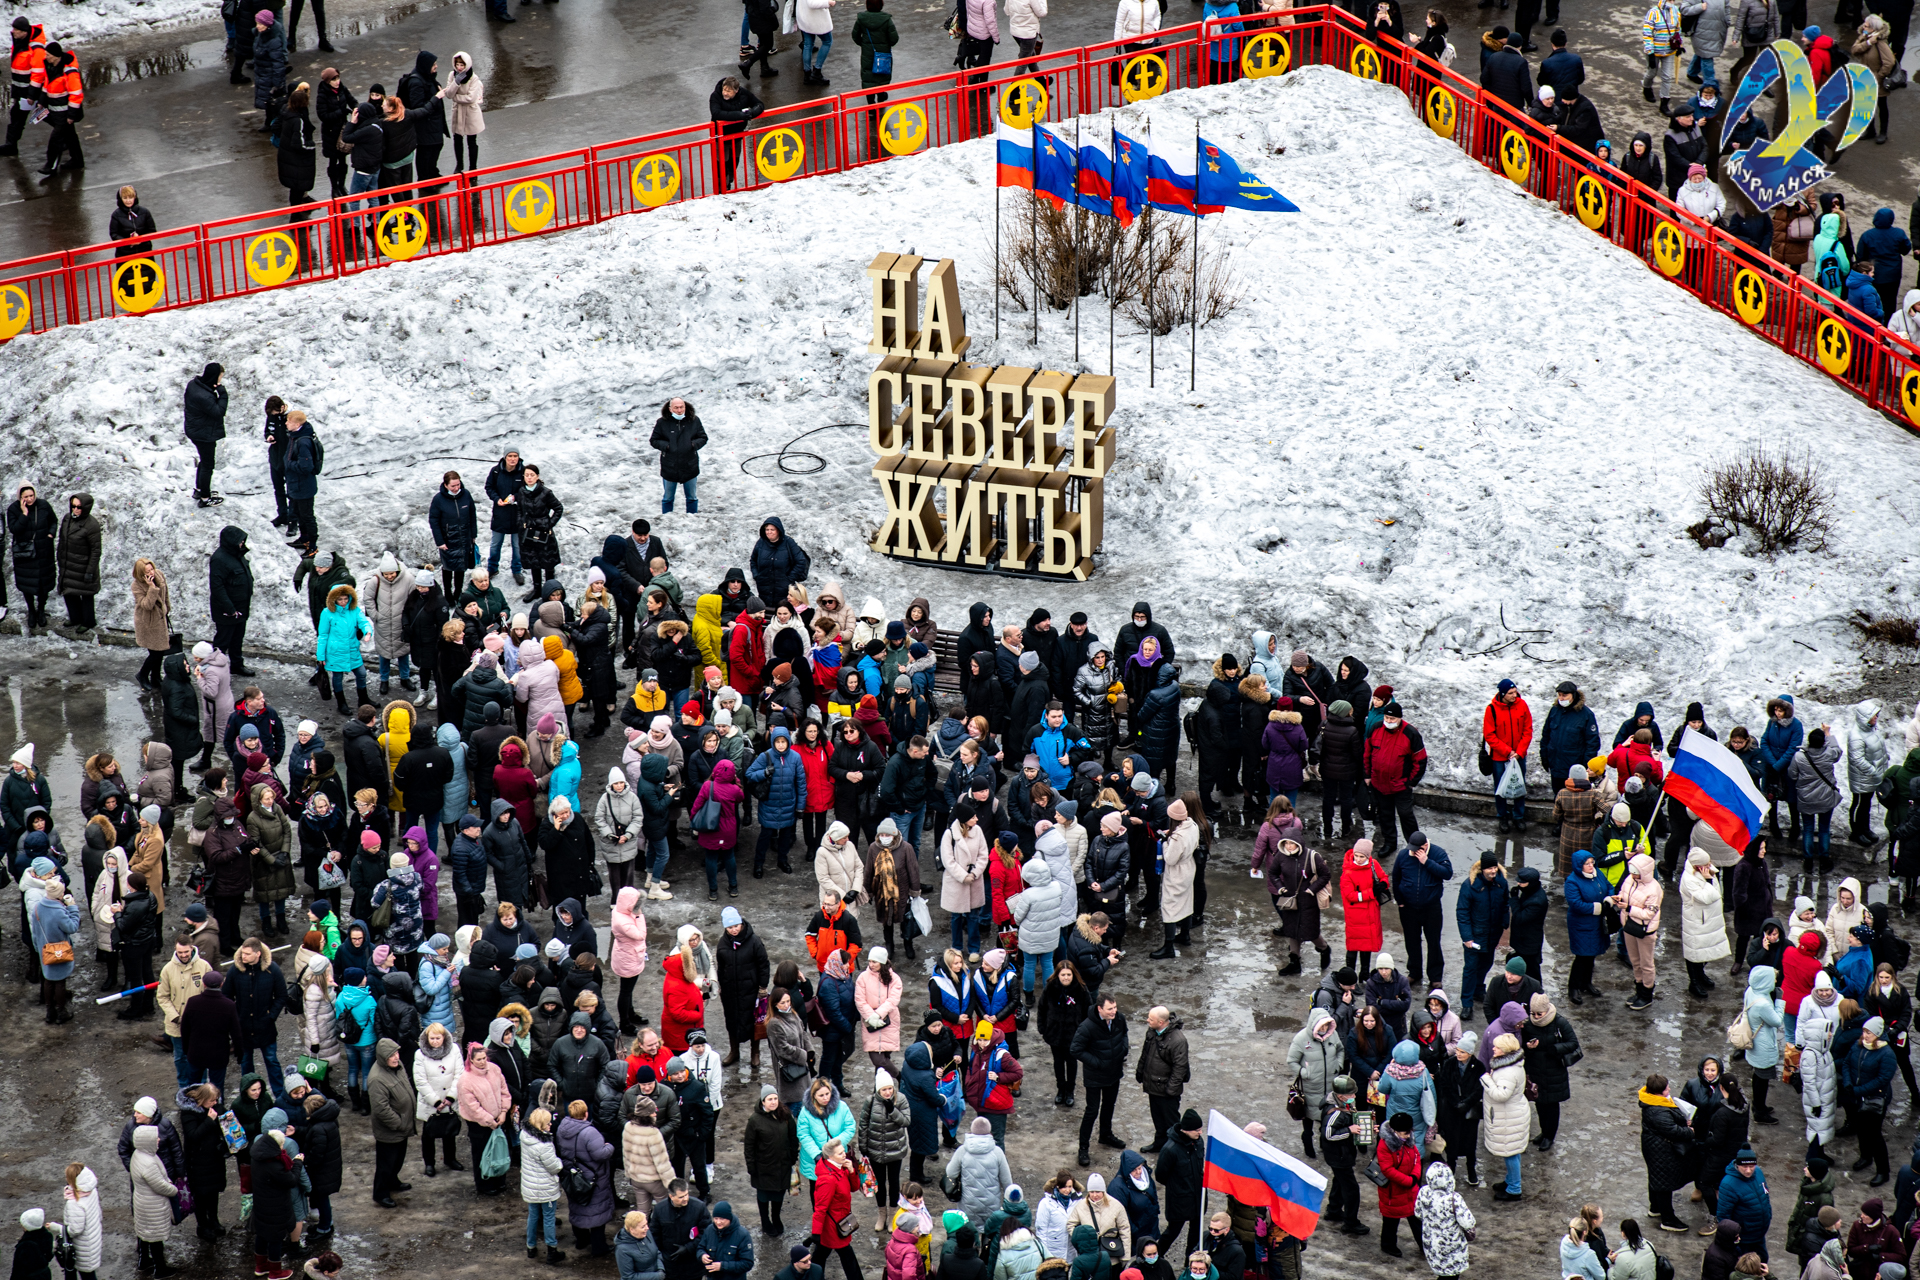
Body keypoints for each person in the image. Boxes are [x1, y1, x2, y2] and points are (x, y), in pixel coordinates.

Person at [710, 81, 766, 191]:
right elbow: (716, 113)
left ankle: (728, 183)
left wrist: (751, 113)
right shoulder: (715, 96)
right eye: (724, 90)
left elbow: (759, 105)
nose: (725, 93)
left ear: (736, 91)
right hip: (721, 137)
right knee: (721, 165)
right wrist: (740, 115)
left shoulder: (743, 94)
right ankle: (722, 190)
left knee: (733, 162)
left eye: (728, 91)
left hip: (736, 136)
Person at [109, 186, 157, 256]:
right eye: (125, 198)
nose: (128, 201)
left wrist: (140, 238)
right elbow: (114, 234)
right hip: (124, 254)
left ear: (135, 198)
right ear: (120, 199)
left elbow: (152, 231)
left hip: (144, 251)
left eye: (130, 197)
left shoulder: (145, 212)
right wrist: (128, 241)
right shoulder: (116, 215)